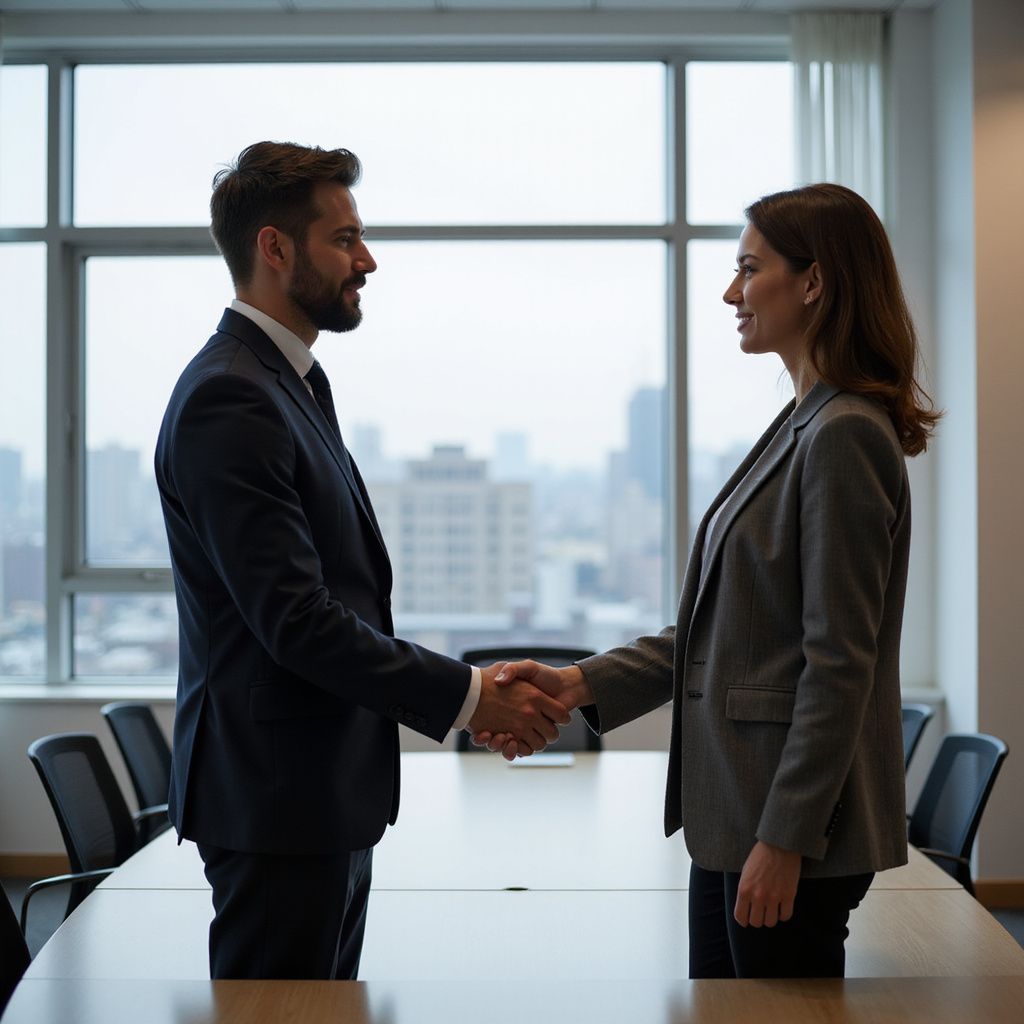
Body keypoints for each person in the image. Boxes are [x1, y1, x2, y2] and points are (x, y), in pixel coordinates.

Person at [477, 183, 940, 979]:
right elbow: (719, 633)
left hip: (784, 828)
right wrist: (576, 682)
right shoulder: (803, 423)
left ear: (814, 282)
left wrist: (787, 835)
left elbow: (840, 666)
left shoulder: (842, 437)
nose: (731, 292)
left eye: (748, 268)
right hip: (734, 816)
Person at [154, 141, 569, 981]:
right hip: (277, 801)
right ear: (274, 248)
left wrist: (467, 698)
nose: (367, 260)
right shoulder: (232, 395)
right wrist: (473, 694)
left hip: (313, 794)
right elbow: (297, 621)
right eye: (344, 239)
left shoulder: (287, 382)